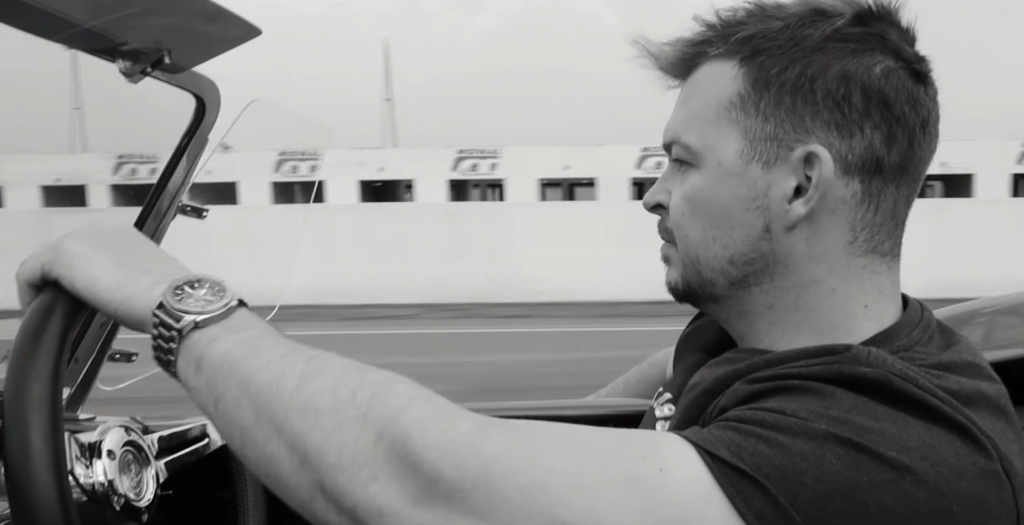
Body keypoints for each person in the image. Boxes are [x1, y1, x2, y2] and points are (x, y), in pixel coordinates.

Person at [16, 0, 1024, 524]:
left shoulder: (889, 463)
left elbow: (415, 485)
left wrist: (176, 301)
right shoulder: (759, 344)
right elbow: (646, 393)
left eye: (680, 162)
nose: (652, 193)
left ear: (801, 185)